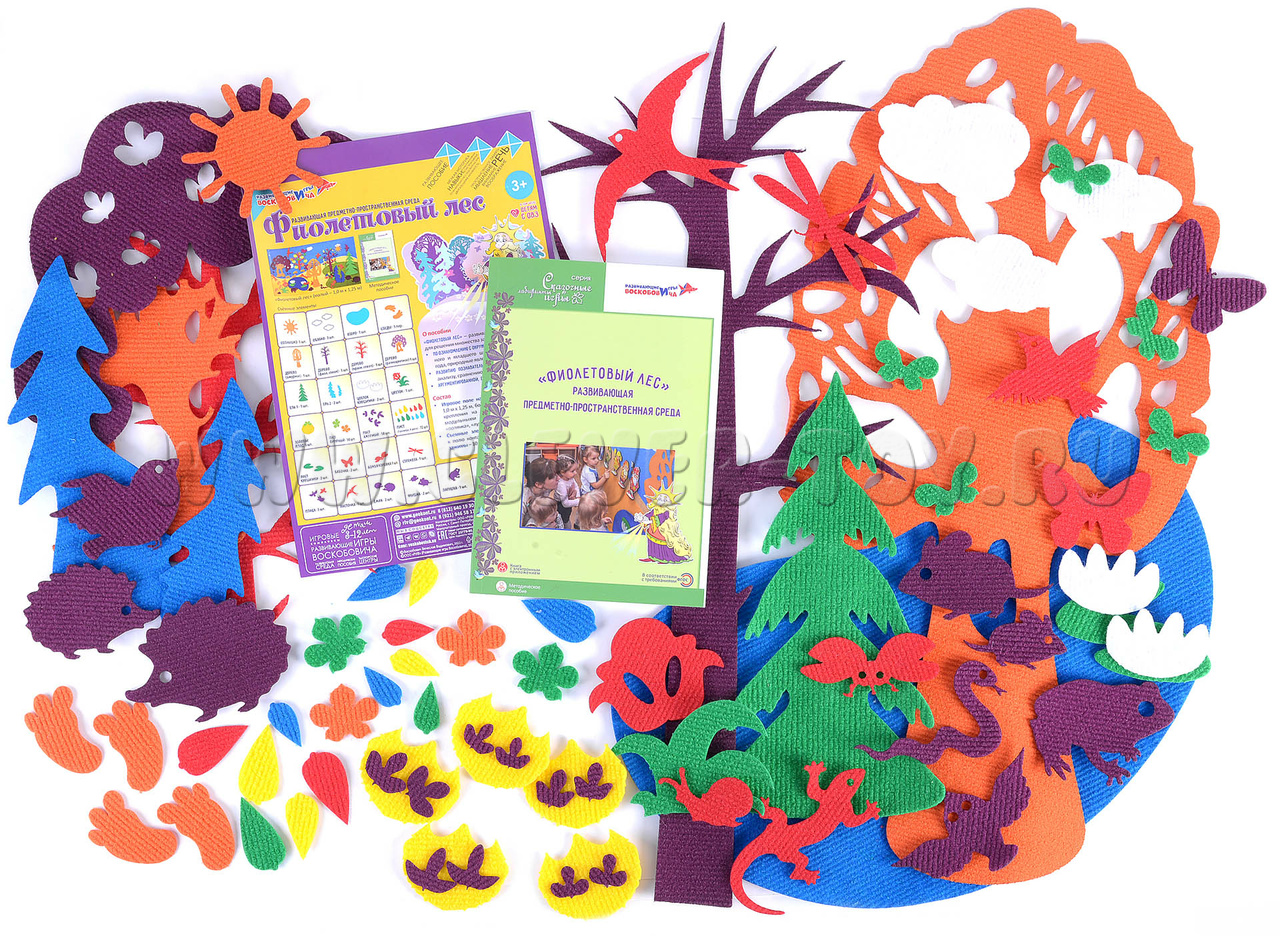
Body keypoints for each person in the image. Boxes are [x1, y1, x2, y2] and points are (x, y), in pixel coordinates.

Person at [522, 456, 558, 526]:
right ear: (538, 484)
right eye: (553, 477)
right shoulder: (523, 499)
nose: (558, 478)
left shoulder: (547, 486)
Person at [554, 454, 580, 527]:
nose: (575, 473)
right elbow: (565, 503)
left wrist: (577, 497)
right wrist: (579, 501)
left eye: (575, 470)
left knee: (567, 517)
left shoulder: (570, 478)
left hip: (568, 502)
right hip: (561, 506)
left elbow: (576, 486)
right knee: (564, 521)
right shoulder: (561, 484)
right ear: (562, 472)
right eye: (572, 471)